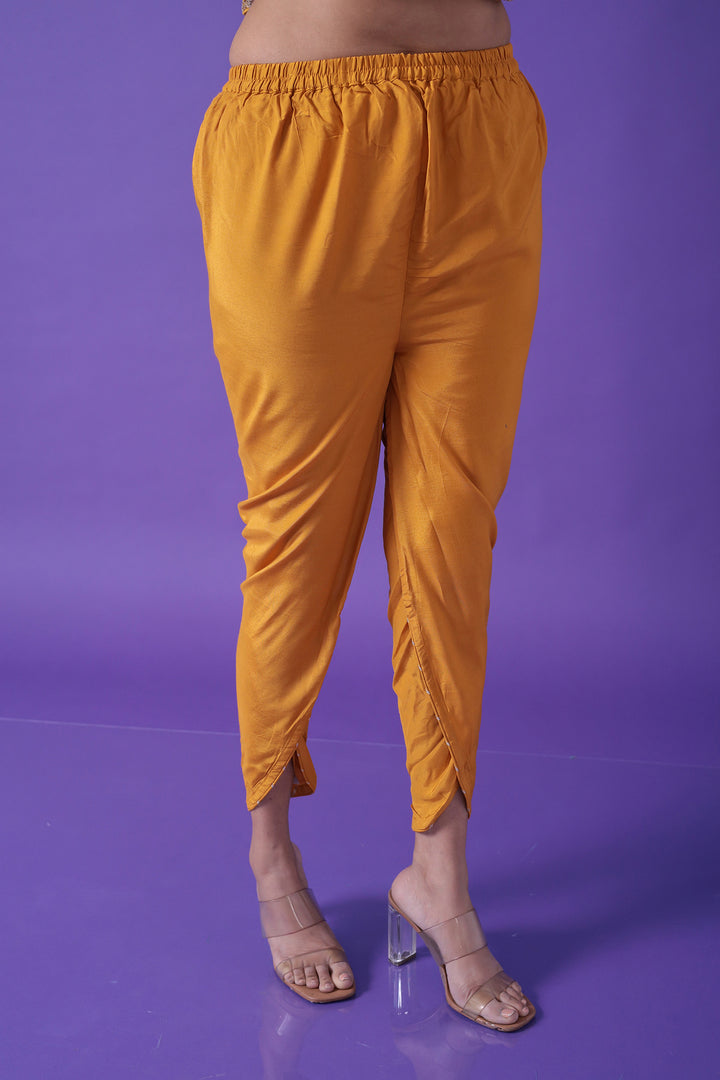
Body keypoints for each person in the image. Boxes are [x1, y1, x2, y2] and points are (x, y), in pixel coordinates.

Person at [192, 0, 545, 1032]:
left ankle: (439, 873)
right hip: (301, 134)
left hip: (482, 124)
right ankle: (271, 851)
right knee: (296, 533)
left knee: (454, 534)